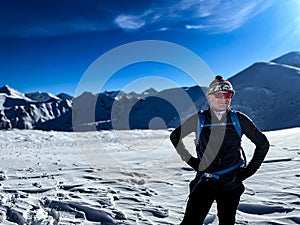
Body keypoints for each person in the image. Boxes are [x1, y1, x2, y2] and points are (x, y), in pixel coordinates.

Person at [170, 75, 270, 225]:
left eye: (228, 95)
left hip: (231, 184)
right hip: (204, 182)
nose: (224, 99)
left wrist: (248, 171)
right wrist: (192, 162)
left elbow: (263, 144)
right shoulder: (199, 120)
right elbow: (175, 136)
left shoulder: (239, 119)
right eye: (219, 95)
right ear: (209, 97)